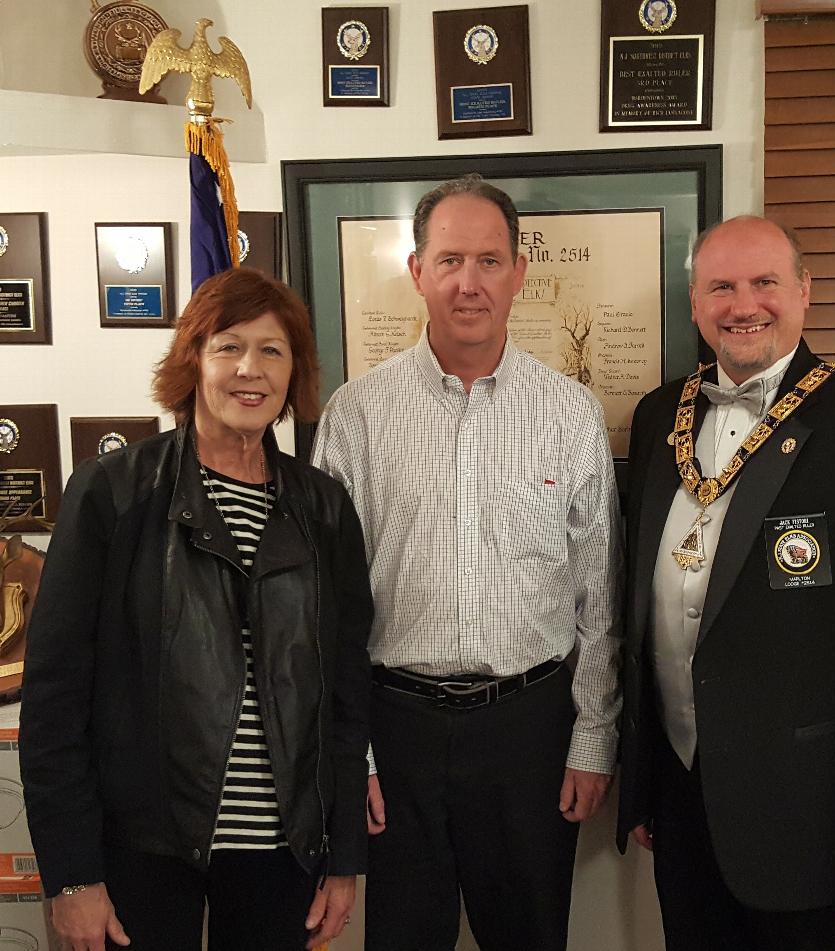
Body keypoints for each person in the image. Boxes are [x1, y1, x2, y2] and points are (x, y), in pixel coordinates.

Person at [616, 216, 835, 950]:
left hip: (817, 826)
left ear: (804, 290)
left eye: (765, 282)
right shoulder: (657, 416)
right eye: (722, 286)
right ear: (695, 301)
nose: (744, 304)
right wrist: (646, 782)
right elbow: (643, 615)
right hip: (685, 806)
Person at [20, 268, 373, 951]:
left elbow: (345, 695)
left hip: (283, 853)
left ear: (293, 370)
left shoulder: (325, 508)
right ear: (194, 360)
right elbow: (55, 699)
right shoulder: (113, 493)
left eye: (273, 350)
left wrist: (345, 856)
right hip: (141, 851)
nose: (251, 369)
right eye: (229, 346)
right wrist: (71, 875)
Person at [312, 173, 623, 951]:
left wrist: (593, 739)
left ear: (520, 273)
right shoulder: (357, 413)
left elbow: (600, 596)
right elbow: (324, 608)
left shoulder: (570, 412)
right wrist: (359, 758)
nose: (469, 282)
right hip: (397, 729)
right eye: (450, 260)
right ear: (417, 271)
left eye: (489, 261)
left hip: (529, 731)